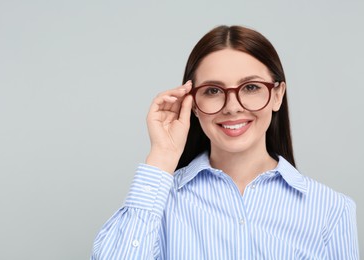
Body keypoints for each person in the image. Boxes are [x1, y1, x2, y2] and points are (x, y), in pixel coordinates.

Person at [91, 25, 359, 259]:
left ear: (277, 95)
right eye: (213, 91)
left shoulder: (331, 209)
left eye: (251, 87)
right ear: (193, 103)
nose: (232, 107)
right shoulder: (159, 201)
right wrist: (162, 156)